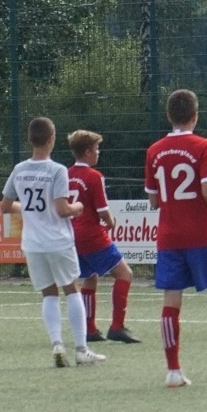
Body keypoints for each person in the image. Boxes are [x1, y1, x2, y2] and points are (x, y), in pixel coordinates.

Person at [144, 89, 207, 387]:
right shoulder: (204, 146)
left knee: (171, 300)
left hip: (169, 236)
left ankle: (173, 372)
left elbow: (153, 200)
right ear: (195, 115)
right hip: (202, 235)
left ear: (169, 116)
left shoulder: (154, 151)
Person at [0, 117, 106, 367]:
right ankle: (81, 349)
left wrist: (26, 209)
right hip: (58, 241)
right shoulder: (57, 170)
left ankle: (57, 344)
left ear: (30, 140)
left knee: (49, 294)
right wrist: (78, 207)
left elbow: (5, 206)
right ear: (51, 139)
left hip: (33, 244)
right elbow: (62, 209)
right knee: (72, 290)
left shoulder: (19, 169)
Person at [67, 130, 140, 343]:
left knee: (90, 277)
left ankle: (89, 329)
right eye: (97, 149)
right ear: (88, 152)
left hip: (71, 235)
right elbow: (102, 211)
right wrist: (110, 221)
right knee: (125, 274)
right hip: (91, 235)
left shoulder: (65, 174)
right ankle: (117, 326)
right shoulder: (94, 176)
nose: (98, 153)